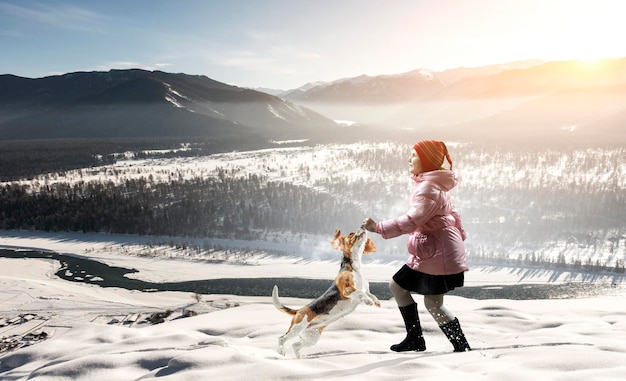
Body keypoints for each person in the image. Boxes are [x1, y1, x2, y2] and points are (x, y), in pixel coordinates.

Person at [362, 140, 471, 353]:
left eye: (413, 155)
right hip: (439, 250)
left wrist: (378, 227)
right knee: (429, 300)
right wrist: (457, 241)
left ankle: (431, 341)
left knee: (416, 295)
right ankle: (440, 342)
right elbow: (453, 214)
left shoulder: (428, 188)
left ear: (426, 160)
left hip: (436, 253)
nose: (409, 160)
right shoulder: (437, 184)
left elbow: (412, 220)